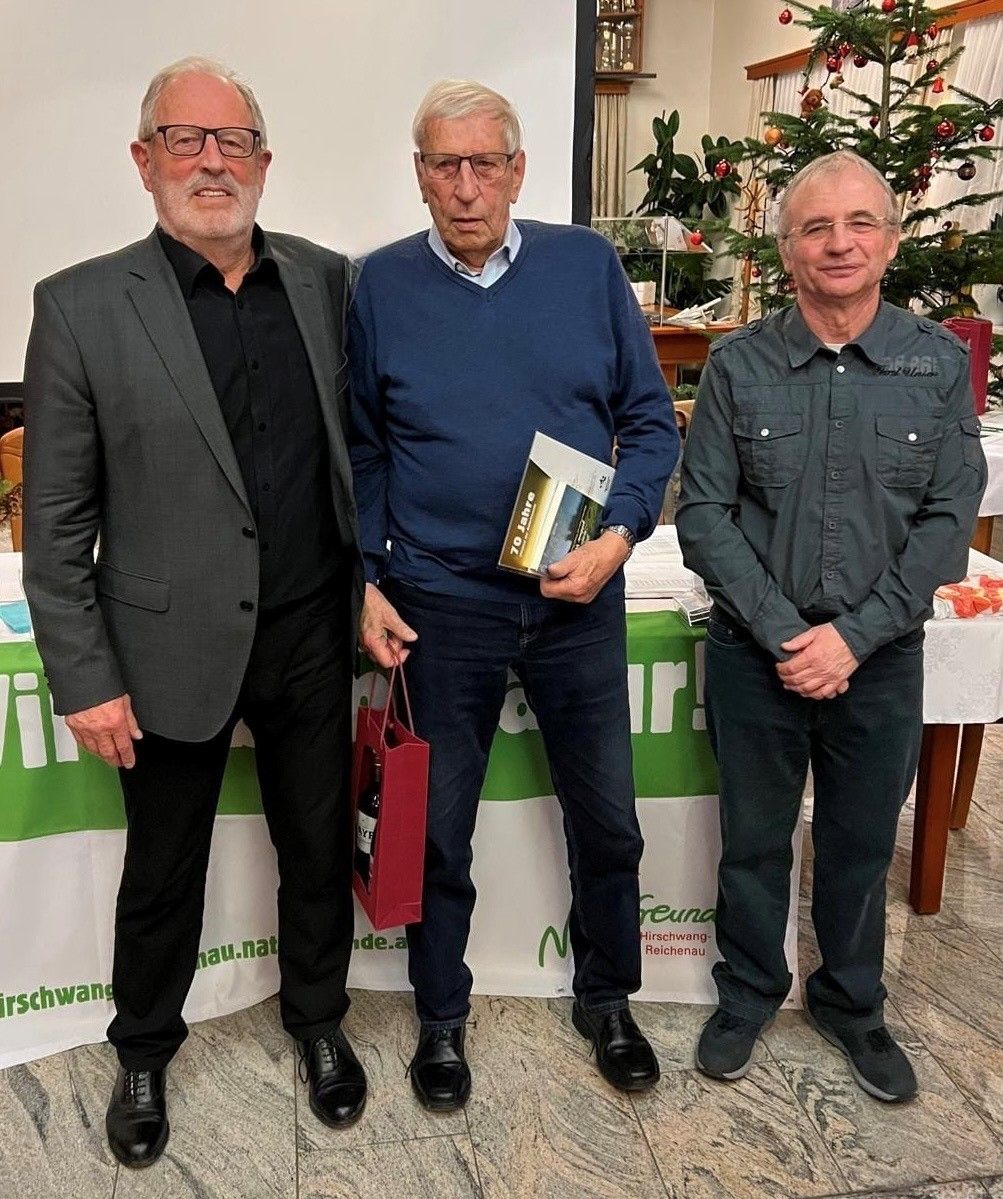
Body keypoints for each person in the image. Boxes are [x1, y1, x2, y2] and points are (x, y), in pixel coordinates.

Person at [22, 58, 366, 1167]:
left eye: (234, 142)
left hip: (314, 630)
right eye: (186, 140)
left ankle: (318, 1021)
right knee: (162, 866)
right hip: (162, 646)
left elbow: (360, 454)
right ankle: (142, 1046)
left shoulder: (326, 282)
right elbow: (57, 518)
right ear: (144, 161)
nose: (212, 162)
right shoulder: (78, 305)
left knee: (316, 847)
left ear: (265, 162)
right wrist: (84, 673)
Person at [348, 79, 679, 1111]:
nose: (463, 185)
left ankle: (607, 997)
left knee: (608, 819)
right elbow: (360, 450)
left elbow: (651, 423)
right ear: (418, 175)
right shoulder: (377, 286)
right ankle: (441, 1015)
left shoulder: (586, 267)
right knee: (441, 827)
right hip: (440, 598)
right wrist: (364, 573)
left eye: (482, 162)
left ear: (518, 169)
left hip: (576, 590)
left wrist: (620, 533)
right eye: (442, 164)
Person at [675, 150, 987, 1103]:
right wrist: (784, 635)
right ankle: (747, 994)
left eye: (858, 223)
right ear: (786, 250)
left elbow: (947, 520)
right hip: (753, 656)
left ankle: (853, 1006)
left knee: (857, 845)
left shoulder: (935, 365)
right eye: (815, 227)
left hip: (880, 659)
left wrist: (852, 636)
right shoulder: (737, 364)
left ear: (890, 241)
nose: (838, 242)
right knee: (753, 843)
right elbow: (703, 517)